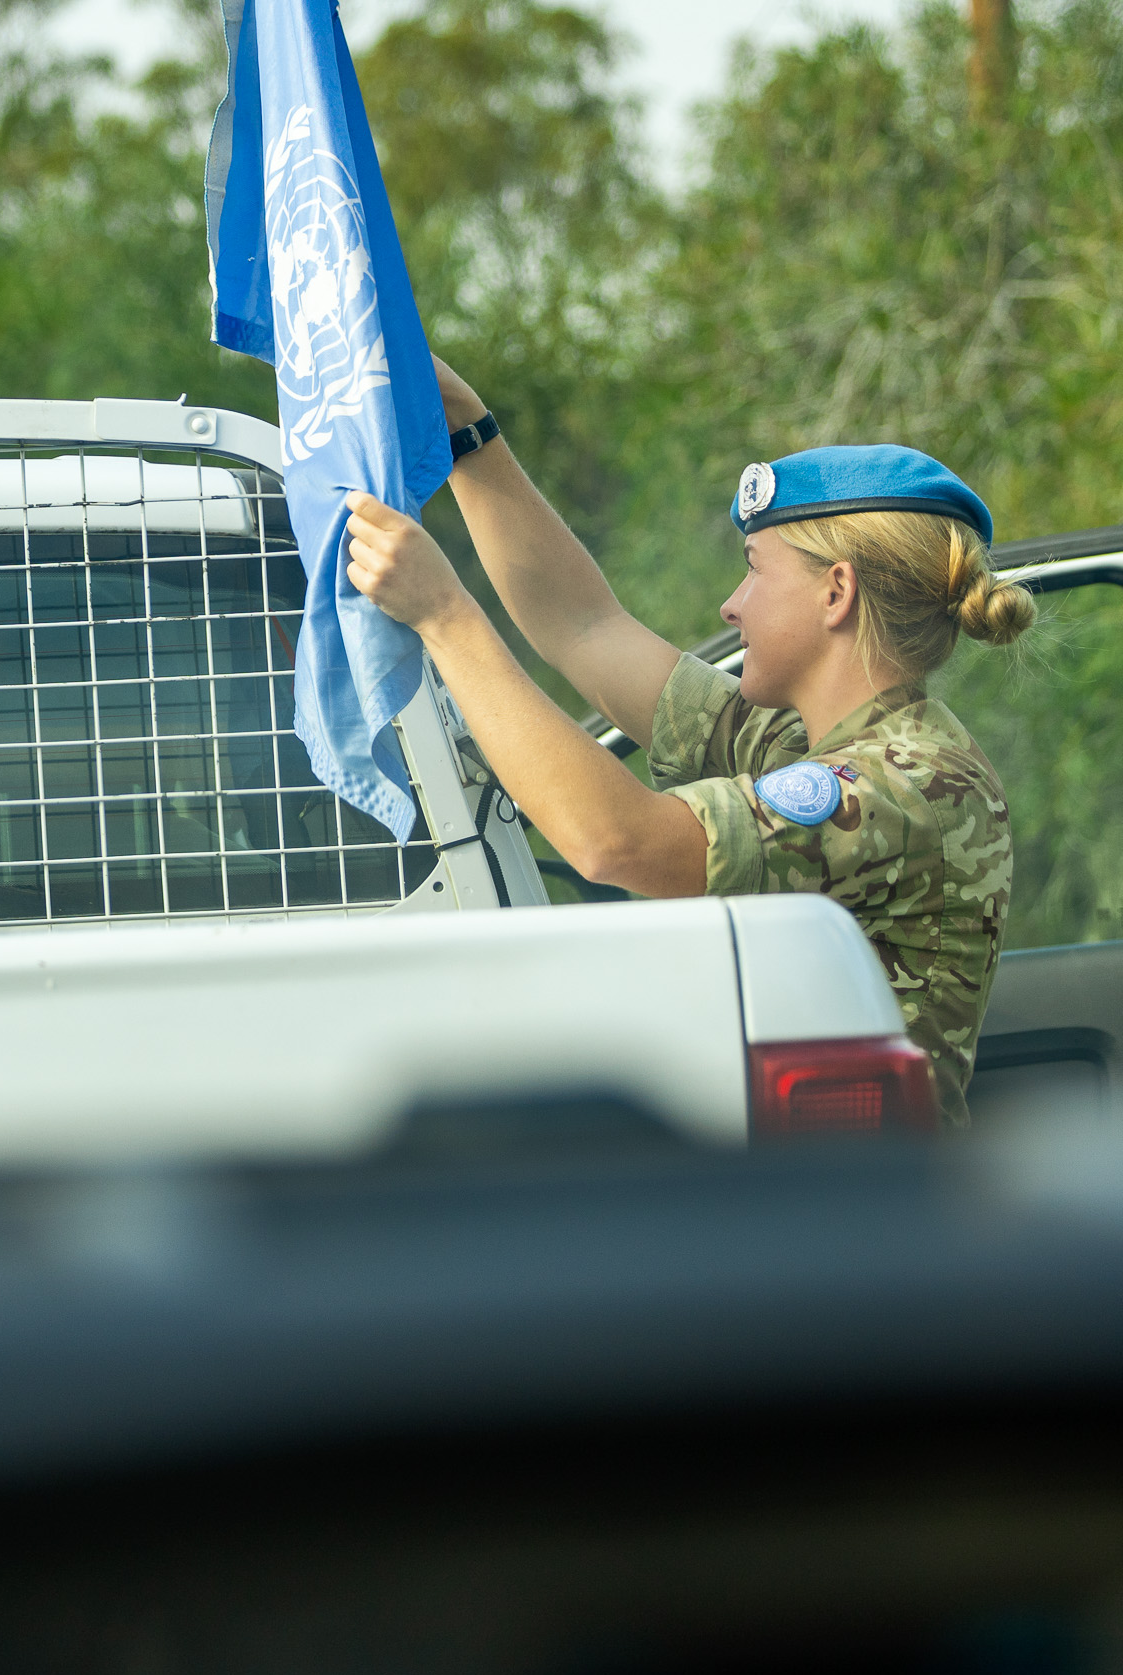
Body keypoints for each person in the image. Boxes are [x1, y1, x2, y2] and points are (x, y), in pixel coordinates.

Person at [342, 360, 1034, 1124]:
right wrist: (468, 433)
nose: (731, 605)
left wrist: (445, 616)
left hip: (863, 1224)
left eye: (754, 571)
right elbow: (586, 626)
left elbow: (617, 841)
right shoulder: (809, 744)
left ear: (835, 592)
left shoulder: (906, 783)